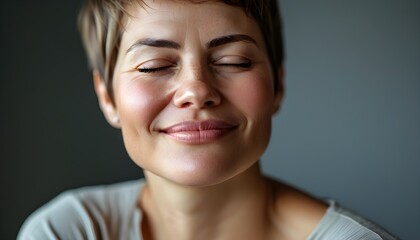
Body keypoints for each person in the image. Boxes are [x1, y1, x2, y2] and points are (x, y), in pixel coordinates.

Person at [18, 0, 398, 239]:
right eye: (153, 66)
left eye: (234, 61)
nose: (196, 90)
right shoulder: (68, 231)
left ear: (278, 85)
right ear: (107, 96)